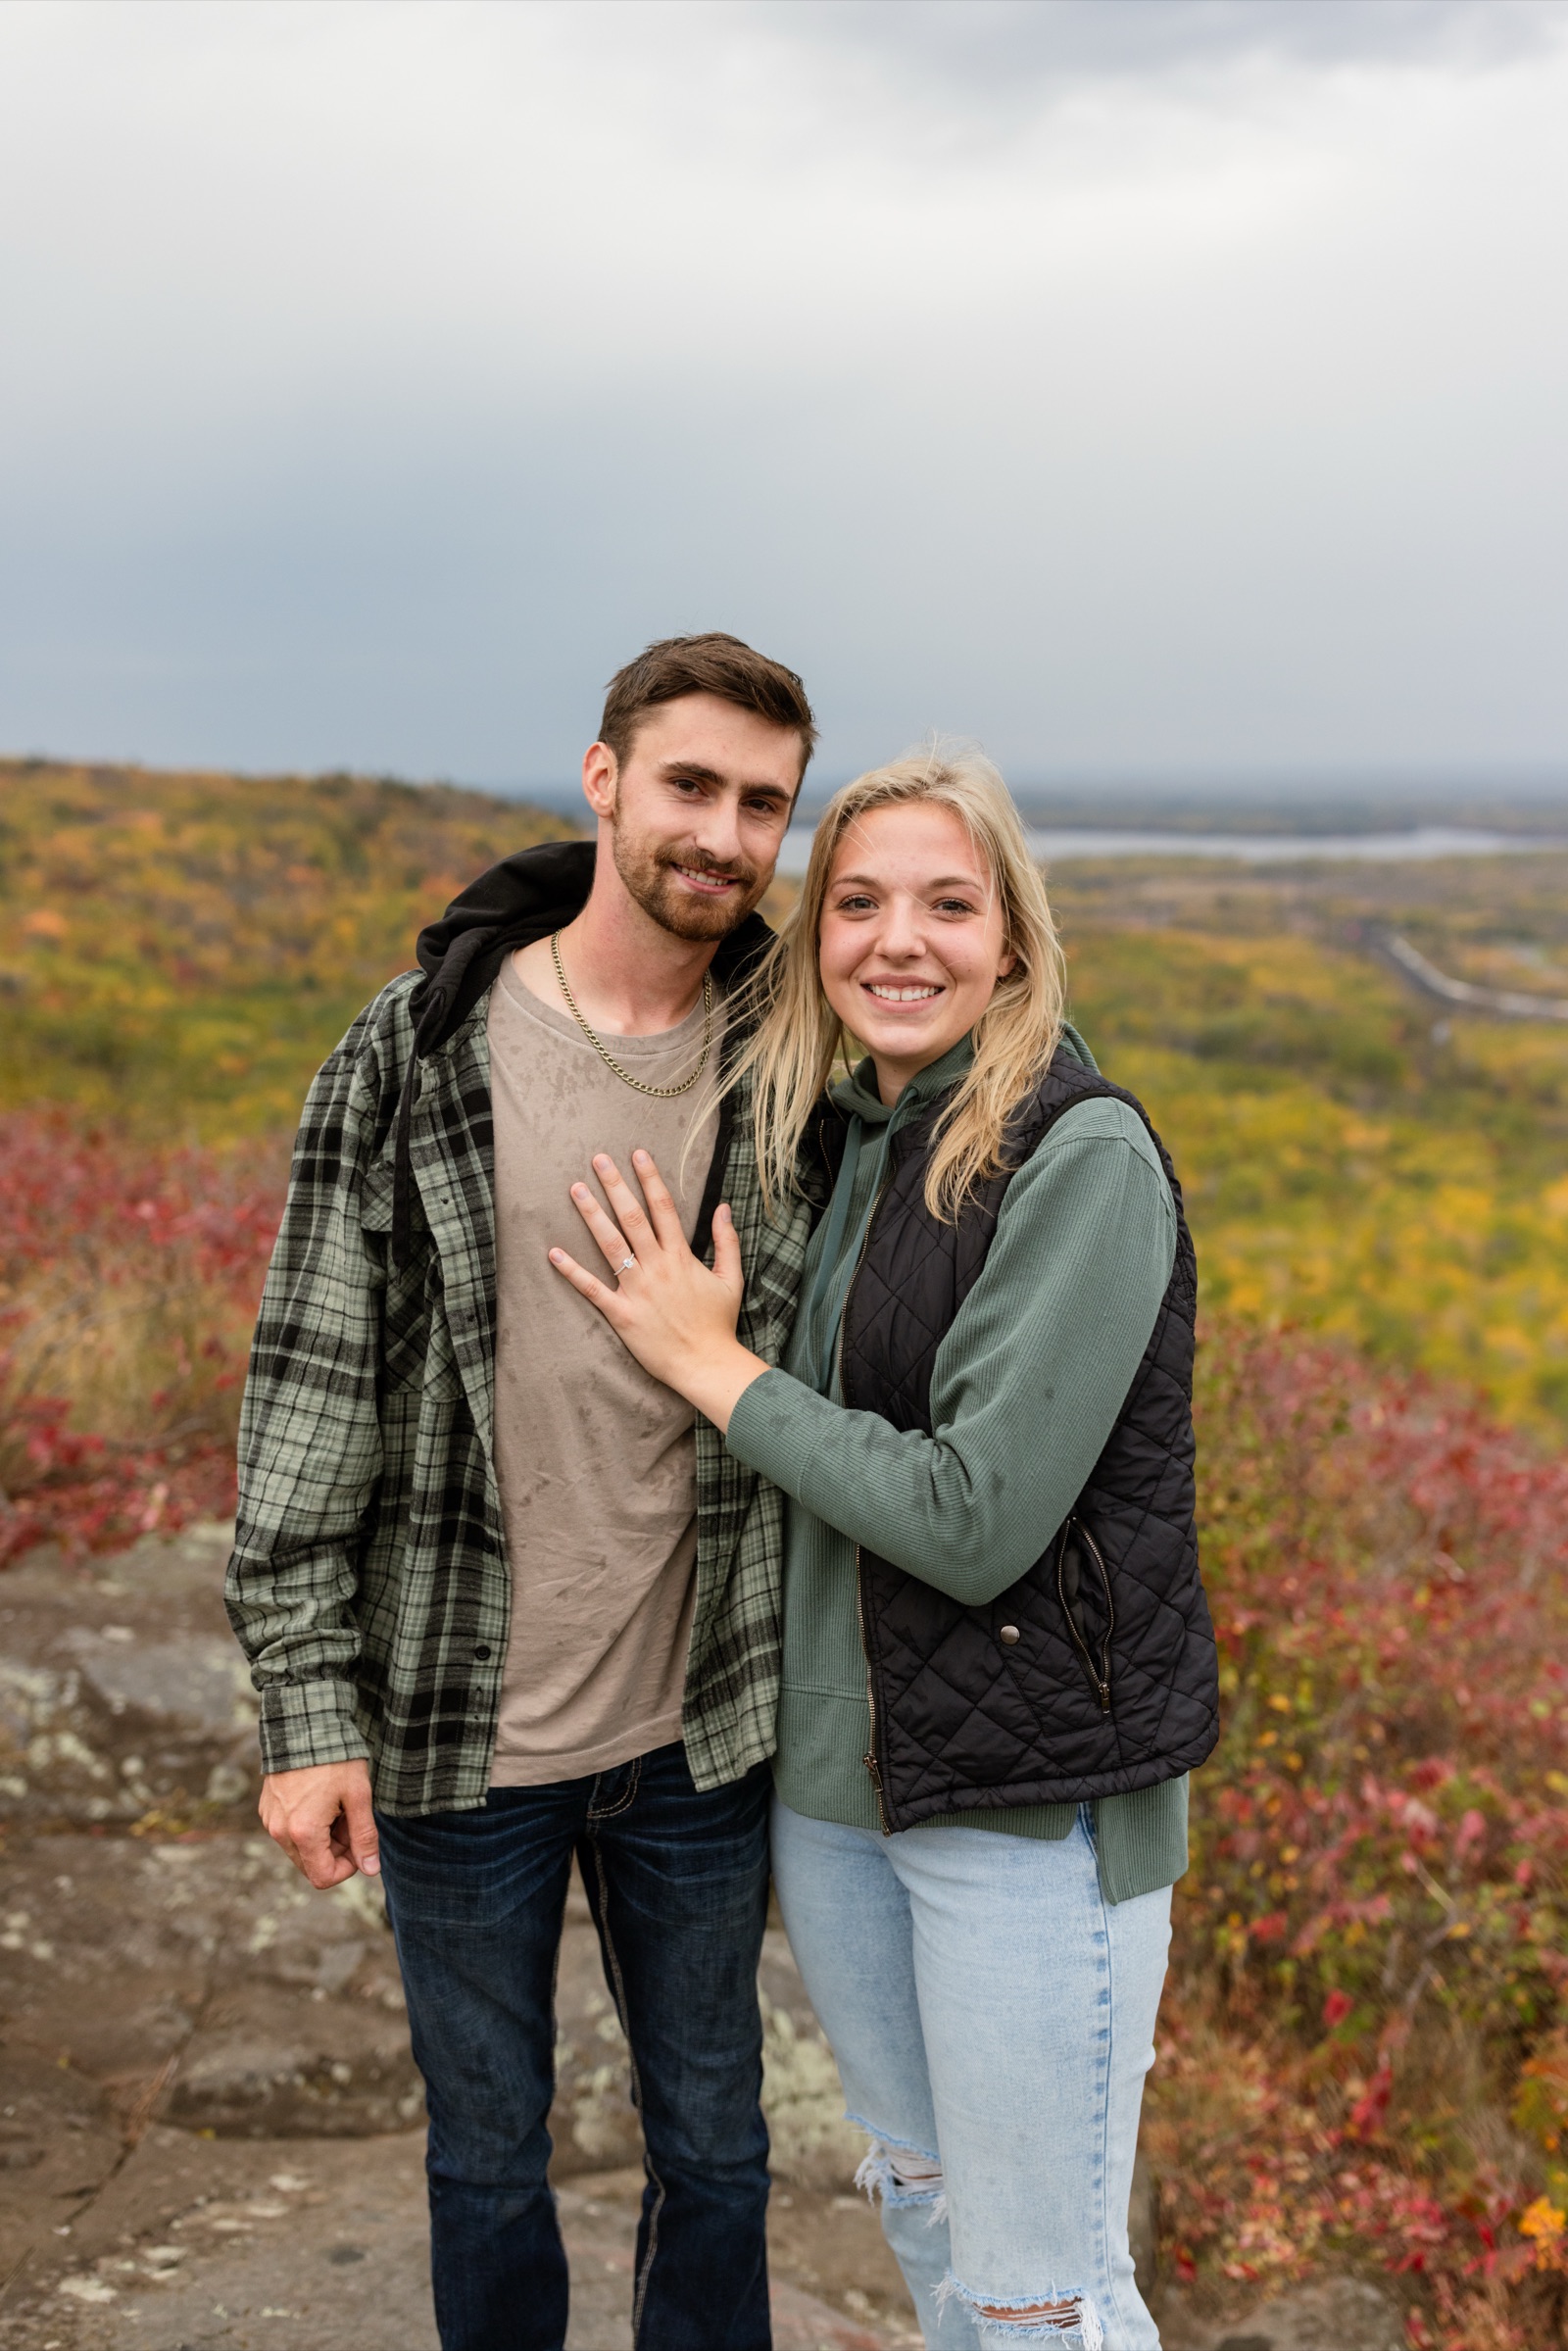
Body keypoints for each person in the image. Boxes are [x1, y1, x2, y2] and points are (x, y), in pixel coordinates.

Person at [548, 747, 1220, 2351]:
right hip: (843, 1798)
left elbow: (974, 1520)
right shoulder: (847, 1132)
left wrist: (715, 1369)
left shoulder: (1081, 1156)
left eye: (946, 903)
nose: (896, 941)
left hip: (1031, 1808)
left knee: (1041, 2288)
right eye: (855, 902)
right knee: (923, 2206)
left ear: (1015, 938)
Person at [225, 633, 819, 2351]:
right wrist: (301, 1711)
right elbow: (309, 1388)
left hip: (701, 1732)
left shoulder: (793, 1074)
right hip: (452, 1732)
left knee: (718, 2147)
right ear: (605, 776)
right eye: (692, 784)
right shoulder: (418, 1051)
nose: (722, 833)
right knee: (487, 2155)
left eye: (763, 804)